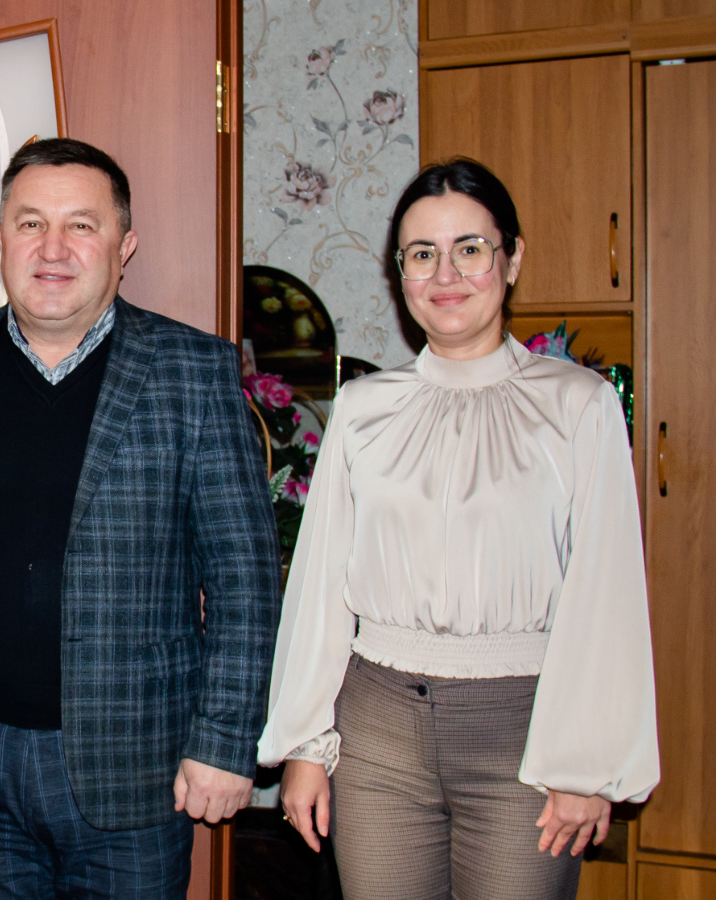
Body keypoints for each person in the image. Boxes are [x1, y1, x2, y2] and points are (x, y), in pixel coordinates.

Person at [0, 137, 282, 897]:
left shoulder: (194, 371)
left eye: (82, 226)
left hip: (137, 767)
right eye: (31, 223)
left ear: (124, 246)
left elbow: (245, 577)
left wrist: (226, 739)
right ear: (2, 239)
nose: (53, 248)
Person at [259, 158, 659, 899]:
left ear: (513, 259)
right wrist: (305, 746)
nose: (446, 274)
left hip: (525, 737)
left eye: (470, 248)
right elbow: (321, 586)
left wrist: (585, 763)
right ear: (400, 274)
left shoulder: (579, 404)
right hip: (376, 737)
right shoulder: (364, 408)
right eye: (422, 253)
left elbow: (607, 594)